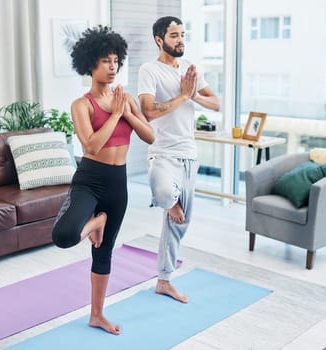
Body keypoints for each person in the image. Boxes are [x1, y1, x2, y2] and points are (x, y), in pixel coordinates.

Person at [51, 25, 154, 335]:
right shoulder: (81, 104)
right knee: (65, 236)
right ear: (89, 64)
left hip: (117, 184)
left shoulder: (126, 99)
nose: (112, 67)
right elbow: (91, 145)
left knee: (104, 252)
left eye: (115, 60)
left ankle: (97, 314)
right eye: (105, 61)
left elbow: (150, 136)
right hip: (89, 180)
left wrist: (127, 113)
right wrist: (113, 115)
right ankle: (96, 222)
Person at [137, 16, 220, 303]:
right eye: (174, 35)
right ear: (160, 39)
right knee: (162, 192)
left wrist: (192, 94)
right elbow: (147, 111)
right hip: (162, 150)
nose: (180, 39)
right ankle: (170, 202)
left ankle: (164, 280)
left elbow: (217, 102)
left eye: (182, 34)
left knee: (179, 224)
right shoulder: (149, 70)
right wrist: (184, 95)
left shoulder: (189, 69)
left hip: (188, 154)